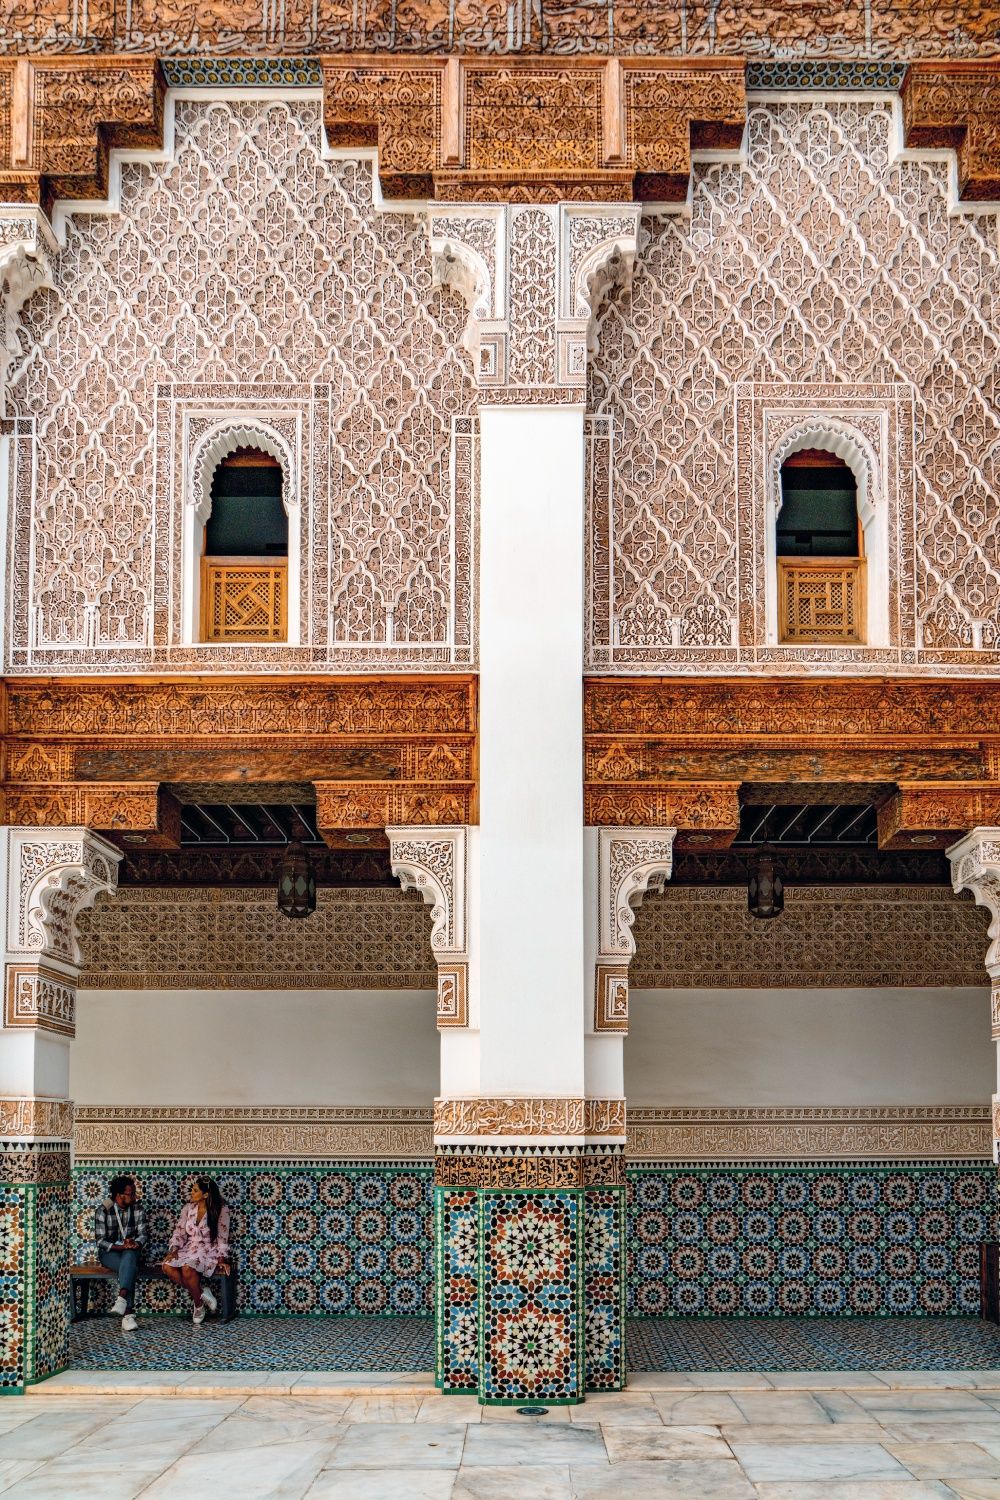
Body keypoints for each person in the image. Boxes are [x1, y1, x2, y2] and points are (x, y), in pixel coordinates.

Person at [162, 1177, 231, 1325]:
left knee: (187, 1269)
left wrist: (221, 1259)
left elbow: (222, 1236)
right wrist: (174, 1249)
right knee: (167, 1266)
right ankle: (201, 1295)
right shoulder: (188, 1208)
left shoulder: (221, 1210)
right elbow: (179, 1232)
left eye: (195, 1190)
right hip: (188, 1248)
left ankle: (198, 1307)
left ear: (205, 1195)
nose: (191, 1193)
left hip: (207, 1250)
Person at [95, 1175, 148, 1333]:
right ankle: (127, 1314)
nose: (134, 1196)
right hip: (110, 1254)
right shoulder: (103, 1210)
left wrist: (135, 1243)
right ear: (119, 1195)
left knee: (130, 1257)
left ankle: (122, 1298)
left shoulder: (137, 1208)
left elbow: (144, 1235)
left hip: (132, 1252)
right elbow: (100, 1241)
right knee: (129, 1265)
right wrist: (122, 1247)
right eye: (131, 1194)